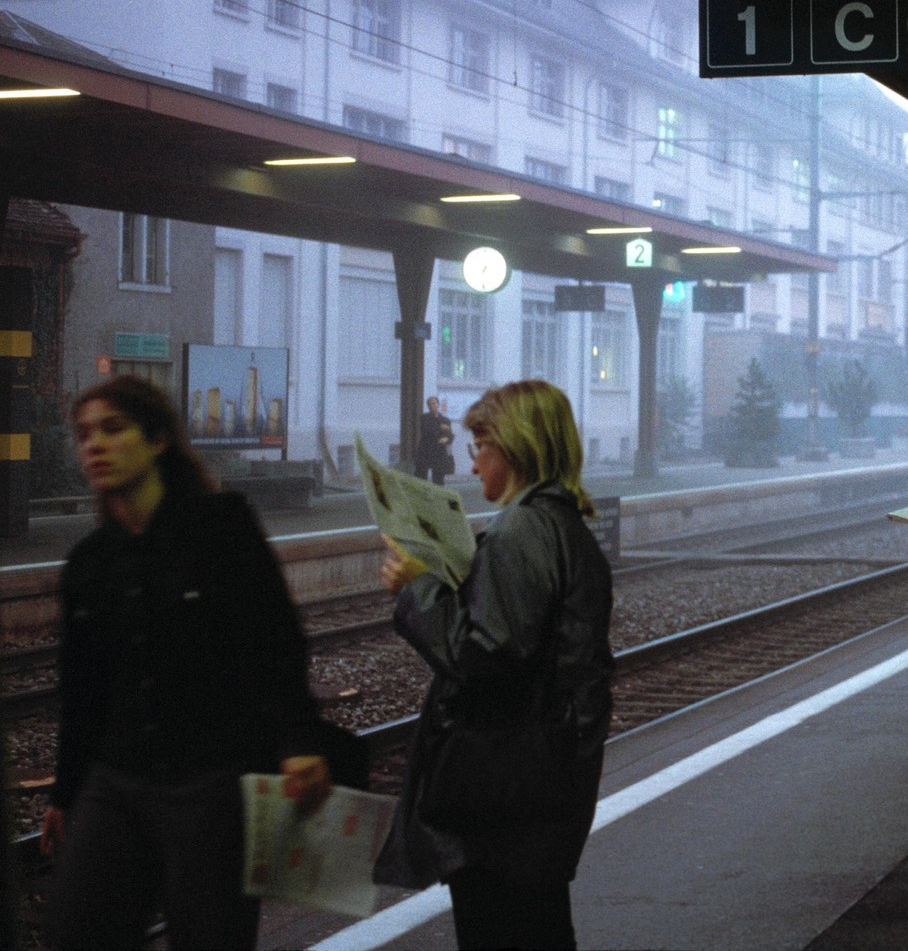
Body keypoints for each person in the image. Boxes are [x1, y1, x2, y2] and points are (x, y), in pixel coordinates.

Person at [41, 375, 332, 950]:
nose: (94, 445)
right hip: (117, 780)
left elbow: (276, 638)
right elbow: (82, 693)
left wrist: (297, 740)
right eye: (83, 434)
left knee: (210, 936)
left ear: (156, 441)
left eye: (113, 428)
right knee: (76, 930)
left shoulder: (221, 527)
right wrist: (65, 791)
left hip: (209, 782)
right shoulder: (89, 562)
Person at [375, 379, 614, 950]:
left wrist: (420, 589)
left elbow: (485, 654)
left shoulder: (522, 529)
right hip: (541, 781)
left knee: (502, 932)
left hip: (505, 790)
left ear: (518, 446)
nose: (472, 458)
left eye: (482, 443)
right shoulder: (563, 527)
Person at [415, 396, 455, 484]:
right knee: (421, 477)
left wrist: (446, 439)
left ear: (438, 404)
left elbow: (450, 435)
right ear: (428, 406)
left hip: (439, 452)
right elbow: (427, 431)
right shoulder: (424, 418)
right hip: (426, 451)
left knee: (438, 479)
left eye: (434, 403)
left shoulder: (445, 420)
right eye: (430, 404)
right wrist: (441, 428)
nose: (432, 406)